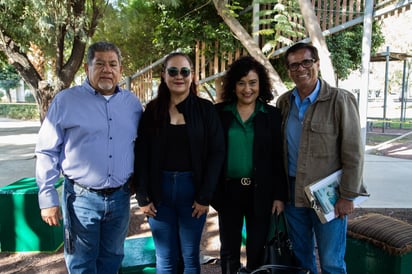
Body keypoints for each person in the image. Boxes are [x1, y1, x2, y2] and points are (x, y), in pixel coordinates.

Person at [35, 41, 143, 273]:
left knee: (112, 259)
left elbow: (140, 146)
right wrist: (47, 198)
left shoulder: (132, 104)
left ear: (120, 70)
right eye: (100, 64)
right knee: (81, 263)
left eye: (113, 64)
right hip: (81, 199)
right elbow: (46, 150)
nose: (107, 70)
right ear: (87, 67)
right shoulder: (65, 101)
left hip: (120, 198)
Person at [276, 42, 369, 274]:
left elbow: (353, 152)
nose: (300, 69)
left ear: (317, 63)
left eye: (306, 62)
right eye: (294, 65)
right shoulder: (284, 102)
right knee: (301, 259)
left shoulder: (340, 100)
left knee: (331, 262)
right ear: (288, 70)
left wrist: (348, 196)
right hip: (292, 193)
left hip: (328, 196)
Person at [133, 52, 225, 274]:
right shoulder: (152, 110)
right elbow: (142, 154)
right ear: (164, 75)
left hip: (193, 193)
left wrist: (205, 196)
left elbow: (217, 153)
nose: (179, 76)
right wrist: (142, 196)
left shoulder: (206, 110)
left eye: (184, 71)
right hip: (159, 191)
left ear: (192, 76)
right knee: (165, 258)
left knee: (190, 256)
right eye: (173, 71)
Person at [212, 56, 288, 273]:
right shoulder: (220, 114)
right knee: (229, 250)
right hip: (228, 192)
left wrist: (279, 195)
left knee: (257, 248)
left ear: (260, 84)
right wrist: (213, 193)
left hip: (261, 192)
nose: (247, 89)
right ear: (233, 85)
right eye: (241, 83)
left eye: (252, 83)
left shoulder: (272, 115)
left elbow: (278, 158)